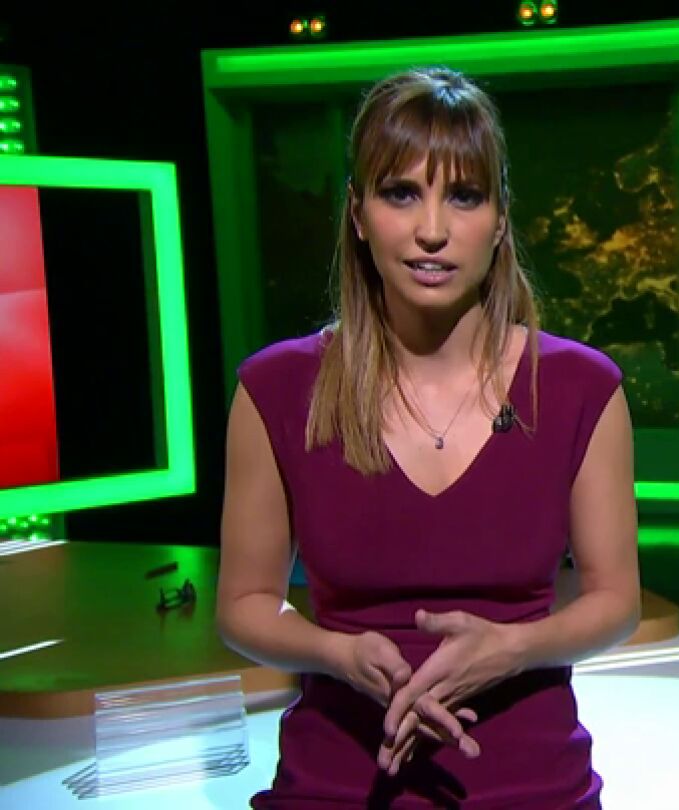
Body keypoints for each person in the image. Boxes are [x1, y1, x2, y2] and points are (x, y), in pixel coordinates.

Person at [216, 67, 639, 808]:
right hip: (338, 787)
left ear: (500, 219)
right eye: (401, 193)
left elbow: (616, 601)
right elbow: (244, 603)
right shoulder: (276, 390)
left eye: (464, 196)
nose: (433, 230)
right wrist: (336, 653)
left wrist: (512, 649)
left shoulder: (579, 388)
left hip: (532, 789)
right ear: (357, 213)